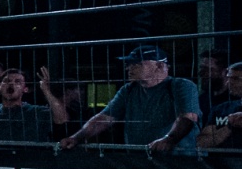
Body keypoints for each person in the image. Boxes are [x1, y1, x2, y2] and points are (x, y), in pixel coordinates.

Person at [62, 45, 202, 154]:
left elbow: (188, 117)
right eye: (129, 64)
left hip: (179, 159)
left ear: (159, 66)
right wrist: (76, 138)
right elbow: (104, 118)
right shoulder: (128, 90)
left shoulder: (181, 86)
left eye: (137, 64)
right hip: (140, 158)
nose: (129, 68)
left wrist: (169, 140)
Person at [200, 61, 242, 150]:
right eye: (228, 78)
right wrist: (229, 126)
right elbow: (202, 142)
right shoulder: (220, 109)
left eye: (236, 78)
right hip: (223, 158)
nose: (229, 83)